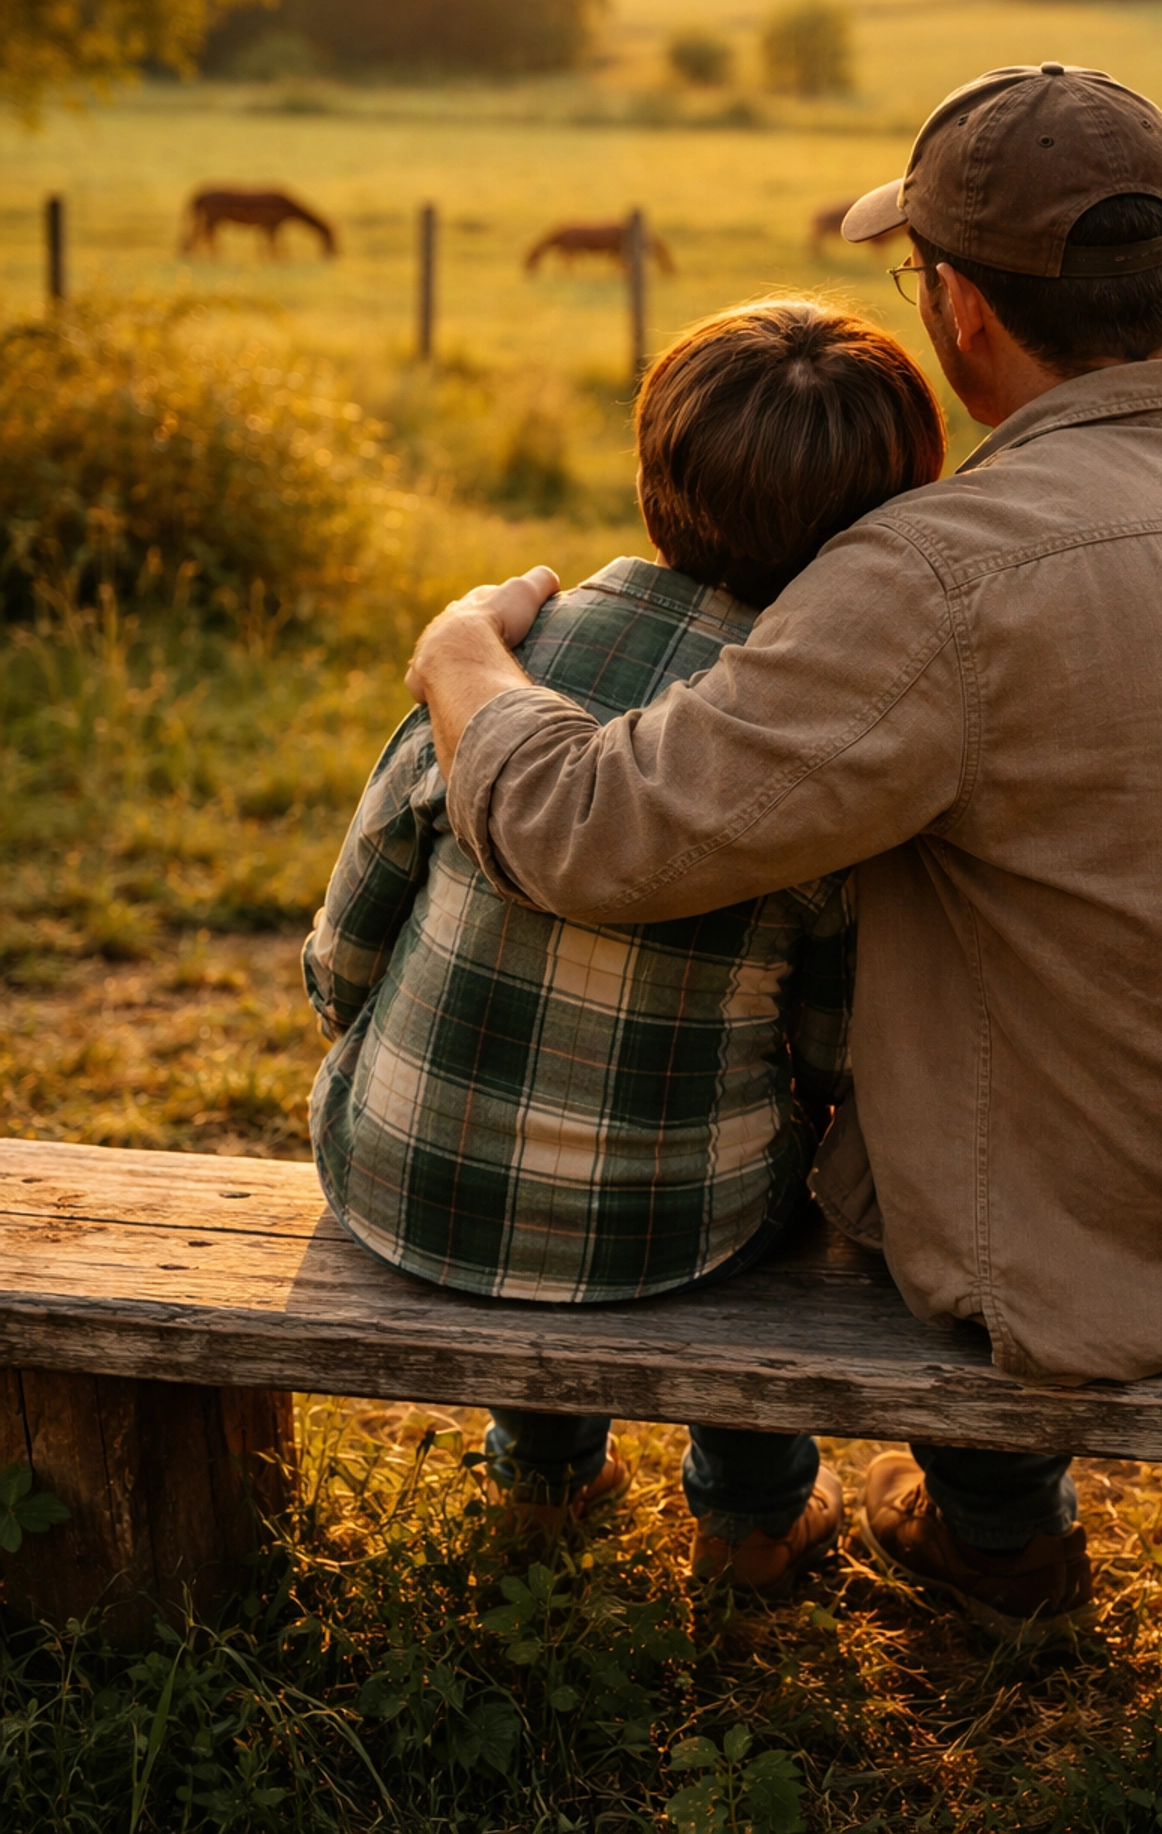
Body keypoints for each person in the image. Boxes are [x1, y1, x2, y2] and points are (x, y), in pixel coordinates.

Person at [407, 64, 1162, 1637]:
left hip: (1103, 1271)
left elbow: (592, 834)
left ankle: (1001, 1548)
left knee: (830, 1136)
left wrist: (464, 657)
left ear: (957, 317)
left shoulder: (936, 573)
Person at [304, 298, 945, 1593]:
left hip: (396, 1176)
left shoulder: (498, 657)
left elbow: (346, 953)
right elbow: (830, 1046)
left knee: (552, 1158)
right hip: (676, 1225)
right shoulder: (818, 738)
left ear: (652, 475)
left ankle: (543, 1484)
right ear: (881, 529)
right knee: (763, 1187)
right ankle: (757, 1512)